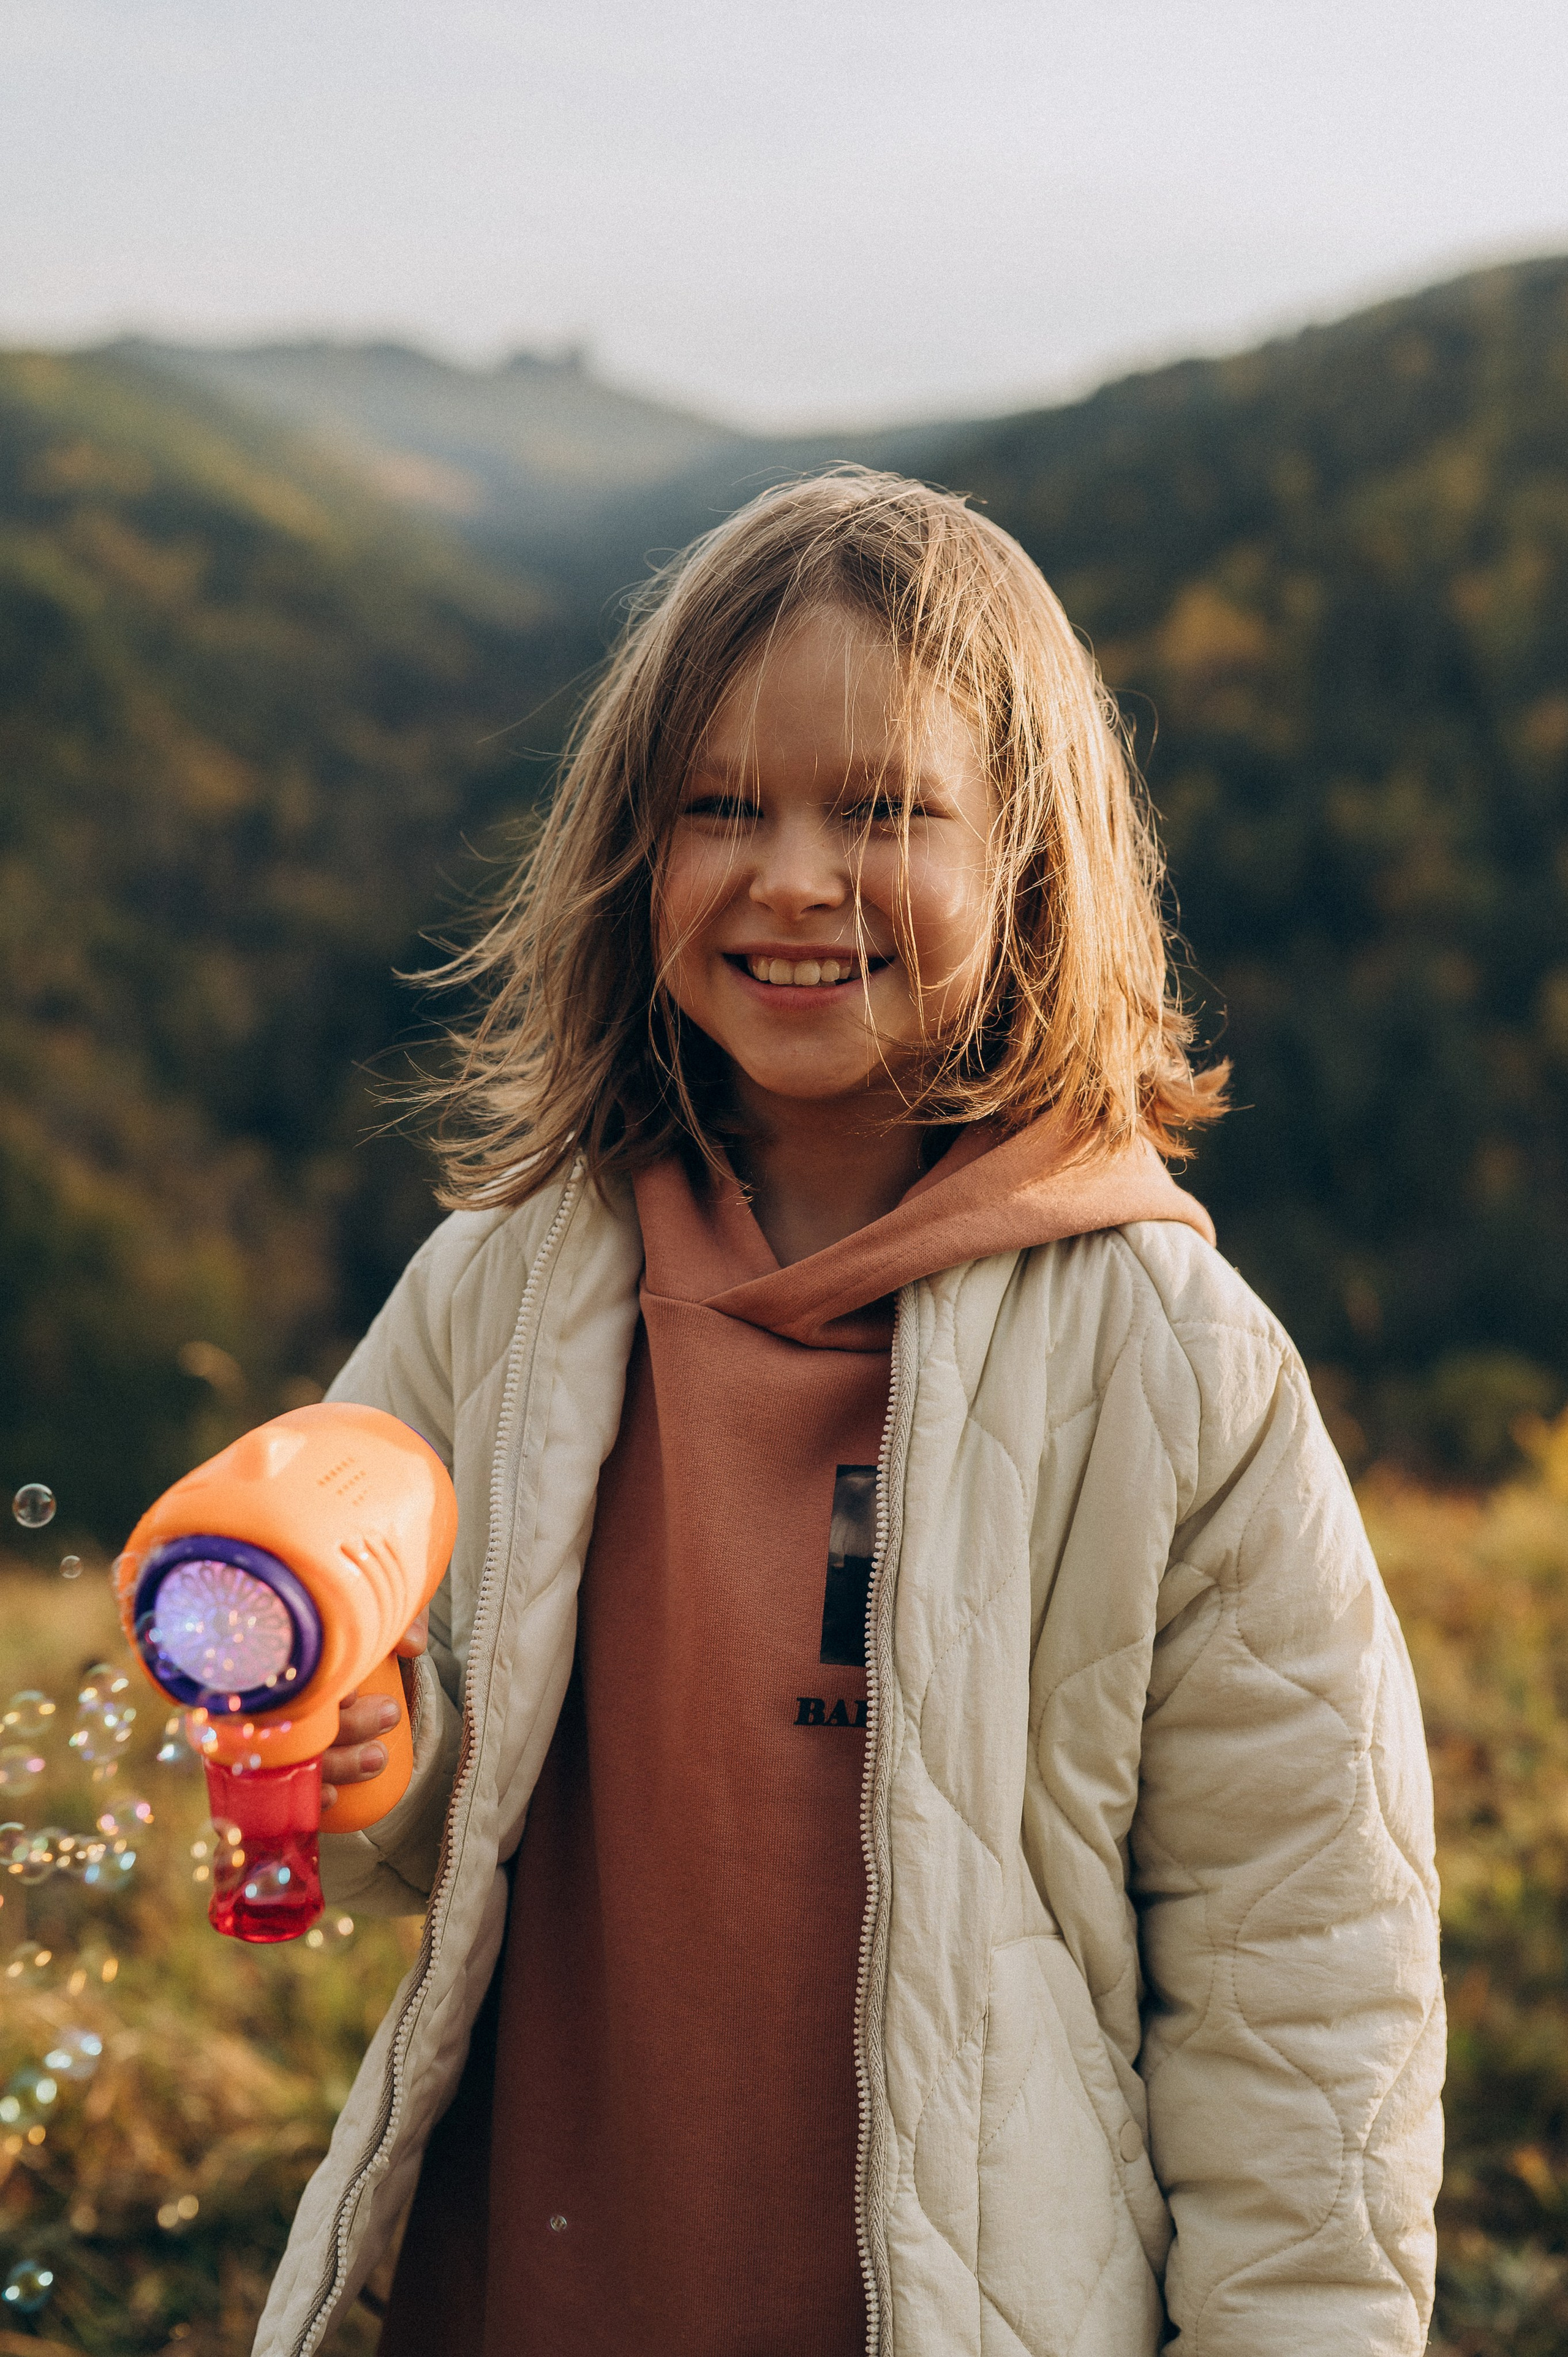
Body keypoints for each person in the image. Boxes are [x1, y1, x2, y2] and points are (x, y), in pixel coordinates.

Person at [254, 471, 1444, 2357]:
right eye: (722, 807)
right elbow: (394, 1766)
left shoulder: (1169, 1361)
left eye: (882, 810)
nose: (794, 876)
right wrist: (353, 1753)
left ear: (1028, 858)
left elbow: (1304, 1983)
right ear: (631, 854)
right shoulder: (500, 1292)